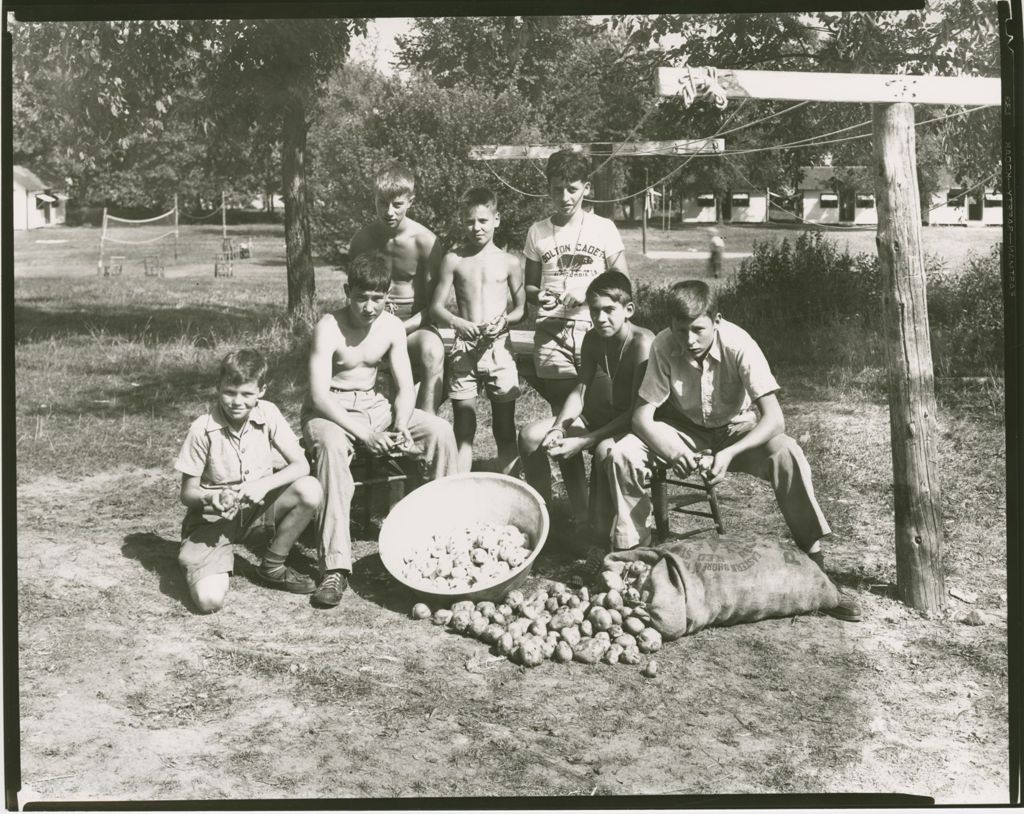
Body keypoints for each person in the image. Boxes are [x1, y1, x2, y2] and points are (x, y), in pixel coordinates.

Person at [606, 280, 861, 622]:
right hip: (685, 430)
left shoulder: (739, 343)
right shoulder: (665, 345)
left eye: (698, 329)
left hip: (735, 430)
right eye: (681, 330)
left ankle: (818, 572)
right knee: (624, 453)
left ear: (717, 320)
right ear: (670, 326)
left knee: (786, 453)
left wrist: (727, 454)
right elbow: (641, 417)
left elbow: (774, 419)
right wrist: (672, 449)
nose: (689, 340)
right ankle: (632, 565)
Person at [302, 250, 459, 608]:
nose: (369, 307)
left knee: (438, 431)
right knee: (331, 447)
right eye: (361, 298)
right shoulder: (329, 327)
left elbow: (404, 387)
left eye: (377, 298)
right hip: (331, 412)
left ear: (387, 296)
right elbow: (318, 396)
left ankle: (446, 536)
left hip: (376, 407)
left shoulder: (390, 326)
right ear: (347, 291)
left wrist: (401, 423)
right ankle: (335, 566)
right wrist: (364, 435)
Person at [174, 350, 323, 613]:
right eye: (229, 392)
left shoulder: (268, 414)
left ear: (261, 391)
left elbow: (301, 465)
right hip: (213, 522)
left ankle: (272, 566)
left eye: (247, 394)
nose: (236, 402)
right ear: (218, 387)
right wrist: (211, 498)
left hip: (257, 511)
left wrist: (264, 485)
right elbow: (188, 493)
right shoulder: (202, 428)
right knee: (209, 601)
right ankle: (212, 558)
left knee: (310, 490)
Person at [518, 271, 653, 554]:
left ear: (628, 310)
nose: (601, 318)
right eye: (594, 312)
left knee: (604, 449)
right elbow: (580, 391)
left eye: (609, 310)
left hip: (633, 426)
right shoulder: (593, 338)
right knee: (531, 436)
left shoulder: (642, 343)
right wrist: (559, 427)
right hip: (596, 416)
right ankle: (545, 521)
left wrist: (584, 440)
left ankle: (599, 533)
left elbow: (634, 413)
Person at [523, 149, 629, 414]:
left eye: (572, 189)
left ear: (586, 187)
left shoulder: (603, 228)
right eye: (557, 189)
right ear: (548, 189)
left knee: (602, 407)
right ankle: (567, 454)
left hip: (596, 327)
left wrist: (588, 292)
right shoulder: (538, 232)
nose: (565, 198)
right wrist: (538, 296)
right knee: (562, 412)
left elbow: (623, 282)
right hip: (551, 330)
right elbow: (529, 287)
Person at [430, 186, 526, 474]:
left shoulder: (510, 262)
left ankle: (512, 490)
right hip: (465, 349)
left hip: (499, 350)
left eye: (483, 221)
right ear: (462, 221)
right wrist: (459, 323)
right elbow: (436, 307)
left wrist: (505, 321)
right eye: (470, 221)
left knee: (505, 428)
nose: (477, 228)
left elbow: (522, 309)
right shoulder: (454, 259)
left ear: (497, 219)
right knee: (464, 428)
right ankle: (462, 494)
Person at [348, 161, 446, 414]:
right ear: (374, 200)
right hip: (372, 320)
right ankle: (361, 420)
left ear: (410, 201)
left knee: (433, 350)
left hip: (414, 325)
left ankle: (426, 423)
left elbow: (434, 308)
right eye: (382, 203)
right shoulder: (362, 240)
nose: (389, 211)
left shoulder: (426, 242)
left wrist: (401, 328)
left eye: (397, 204)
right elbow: (356, 295)